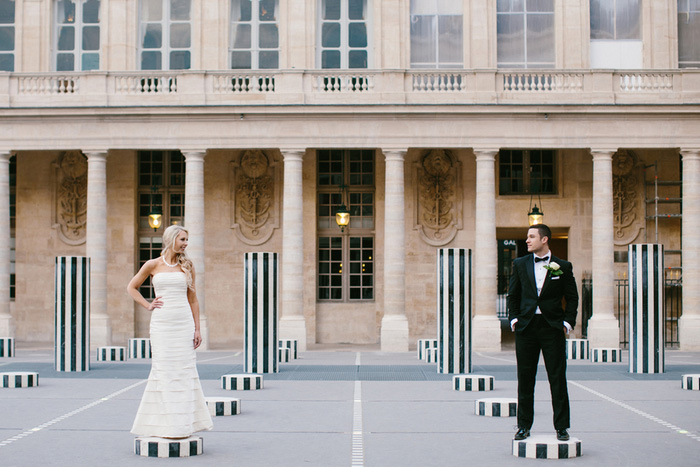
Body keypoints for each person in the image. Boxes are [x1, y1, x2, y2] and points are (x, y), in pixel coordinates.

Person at [127, 224, 213, 438]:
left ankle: (182, 425)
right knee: (163, 372)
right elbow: (131, 287)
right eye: (182, 239)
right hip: (162, 324)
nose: (186, 244)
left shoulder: (188, 265)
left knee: (183, 372)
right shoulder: (152, 264)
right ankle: (162, 425)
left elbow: (193, 299)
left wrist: (197, 329)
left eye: (186, 240)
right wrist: (148, 305)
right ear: (171, 239)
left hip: (183, 324)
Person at [507, 224, 578, 442]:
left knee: (557, 378)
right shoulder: (519, 264)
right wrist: (515, 319)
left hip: (552, 328)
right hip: (526, 328)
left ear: (544, 239)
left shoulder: (563, 266)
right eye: (527, 237)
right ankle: (523, 426)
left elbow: (572, 297)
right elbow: (513, 295)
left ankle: (562, 427)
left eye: (531, 237)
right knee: (525, 379)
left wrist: (567, 323)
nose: (527, 240)